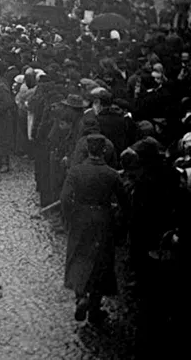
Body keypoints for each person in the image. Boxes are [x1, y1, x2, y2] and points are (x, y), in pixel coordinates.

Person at [60, 134, 128, 324]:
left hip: (80, 219)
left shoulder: (75, 171)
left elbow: (65, 198)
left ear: (88, 150)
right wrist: (118, 222)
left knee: (79, 257)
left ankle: (81, 297)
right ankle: (95, 308)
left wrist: (70, 217)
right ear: (103, 151)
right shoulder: (111, 174)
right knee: (101, 263)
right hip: (103, 220)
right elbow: (125, 202)